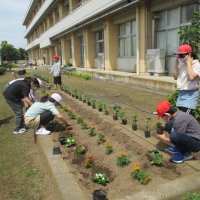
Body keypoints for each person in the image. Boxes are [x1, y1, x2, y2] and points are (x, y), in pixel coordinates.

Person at [173, 44, 200, 116]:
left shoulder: (196, 64)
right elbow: (175, 77)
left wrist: (188, 63)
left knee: (184, 118)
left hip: (191, 94)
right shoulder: (181, 63)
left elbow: (191, 77)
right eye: (179, 55)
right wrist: (176, 63)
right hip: (181, 94)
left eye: (182, 55)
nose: (180, 57)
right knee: (182, 118)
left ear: (189, 54)